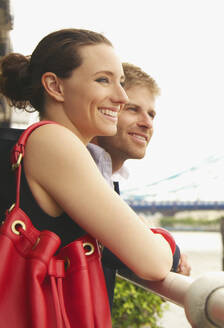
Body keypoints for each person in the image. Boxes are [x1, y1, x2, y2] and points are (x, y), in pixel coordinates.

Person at [0, 28, 173, 289]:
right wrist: (166, 241)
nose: (121, 97)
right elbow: (154, 263)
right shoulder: (54, 141)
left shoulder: (45, 144)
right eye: (103, 80)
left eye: (121, 82)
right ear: (55, 86)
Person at [87, 62, 191, 309]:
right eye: (132, 109)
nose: (147, 123)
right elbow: (136, 256)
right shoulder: (79, 169)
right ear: (105, 110)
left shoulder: (105, 178)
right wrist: (168, 246)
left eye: (152, 114)